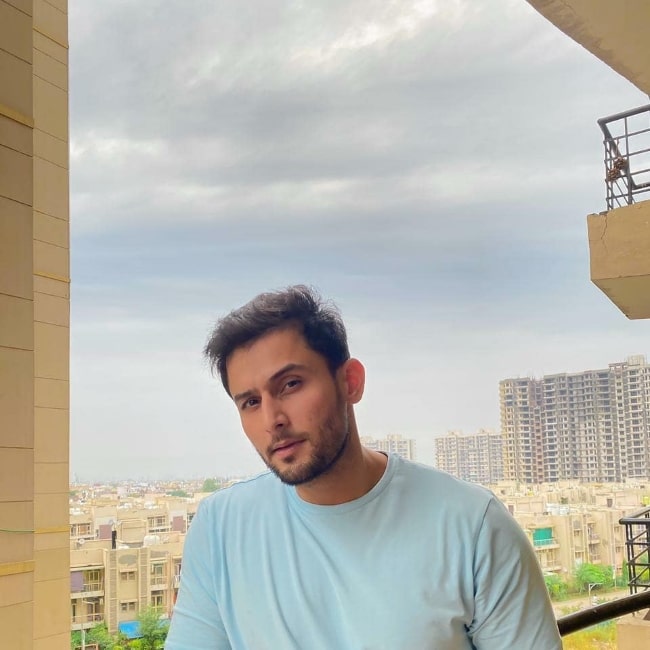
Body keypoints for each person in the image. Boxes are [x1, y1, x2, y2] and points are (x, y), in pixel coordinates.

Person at [165, 285, 562, 650]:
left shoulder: (473, 526)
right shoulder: (220, 529)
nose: (272, 420)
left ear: (350, 382)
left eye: (290, 385)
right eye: (250, 402)